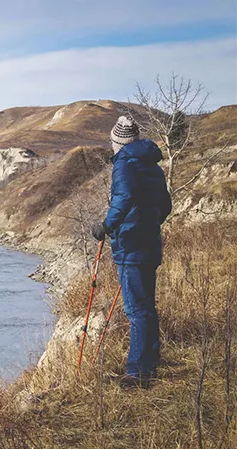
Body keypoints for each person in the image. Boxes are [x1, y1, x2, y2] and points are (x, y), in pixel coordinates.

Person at [91, 116, 172, 388]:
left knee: (136, 309)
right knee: (146, 305)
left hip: (132, 243)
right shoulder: (153, 167)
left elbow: (123, 196)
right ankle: (151, 363)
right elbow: (165, 205)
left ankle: (138, 373)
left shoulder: (124, 164)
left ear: (117, 142)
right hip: (149, 241)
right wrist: (150, 223)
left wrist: (107, 225)